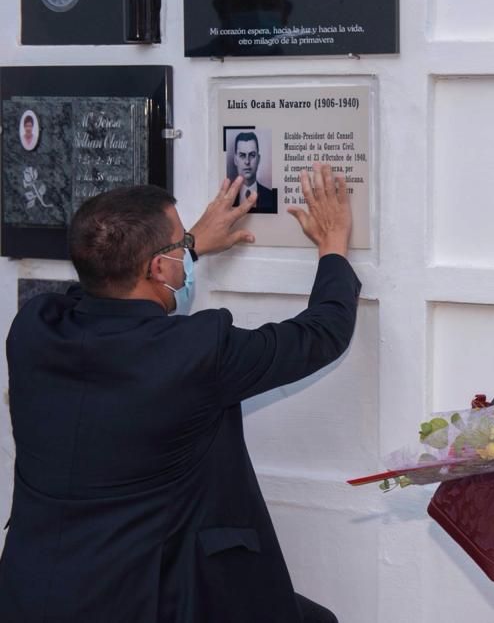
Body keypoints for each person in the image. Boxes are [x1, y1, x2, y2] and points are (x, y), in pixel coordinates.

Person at [0, 163, 358, 622]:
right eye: (179, 242)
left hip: (35, 588)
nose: (186, 249)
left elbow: (99, 286)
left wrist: (182, 249)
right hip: (145, 599)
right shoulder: (194, 353)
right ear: (158, 266)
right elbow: (321, 333)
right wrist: (333, 245)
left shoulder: (34, 329)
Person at [231, 130, 277, 213]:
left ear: (258, 159)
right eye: (242, 155)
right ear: (235, 160)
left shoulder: (271, 197)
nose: (247, 161)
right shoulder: (228, 198)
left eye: (252, 155)